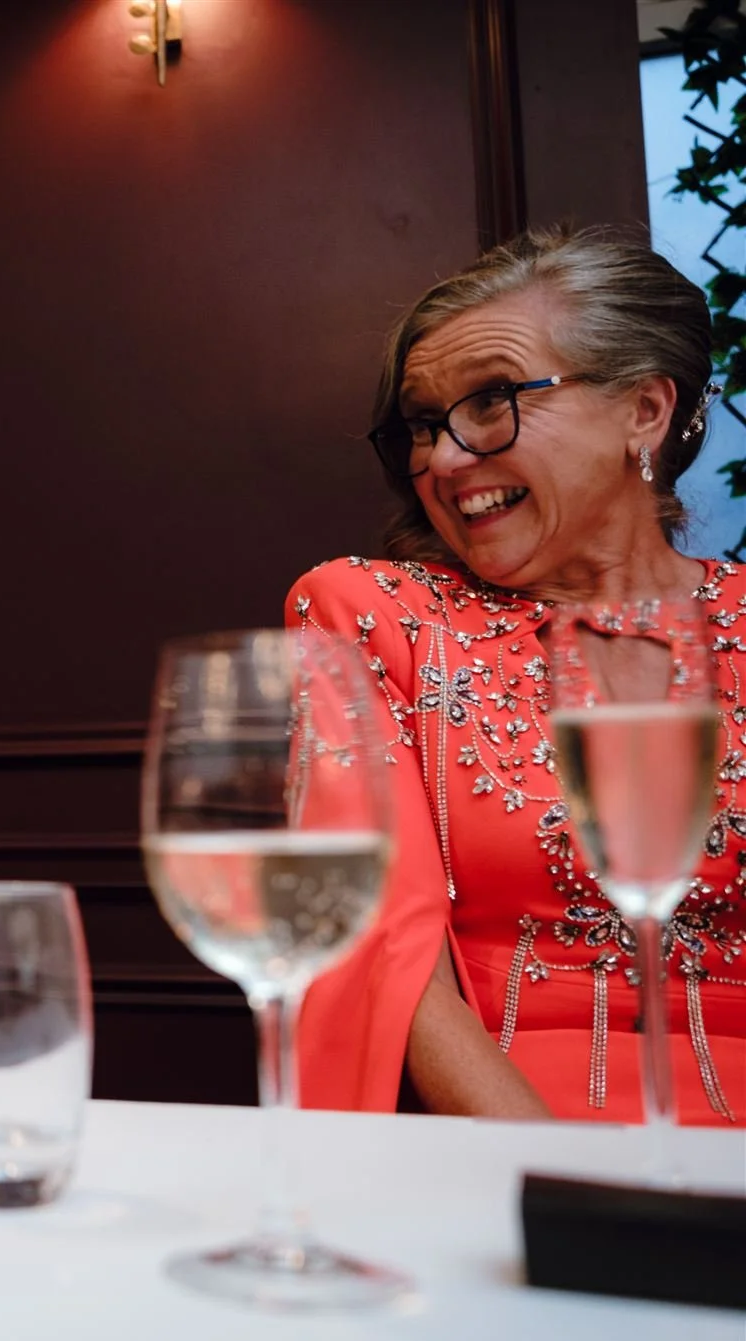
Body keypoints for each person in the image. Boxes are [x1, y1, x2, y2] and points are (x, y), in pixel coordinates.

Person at [290, 225, 745, 1124]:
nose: (446, 459)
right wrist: (567, 1190)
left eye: (492, 401)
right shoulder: (374, 615)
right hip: (503, 1146)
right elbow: (385, 950)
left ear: (644, 411)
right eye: (423, 424)